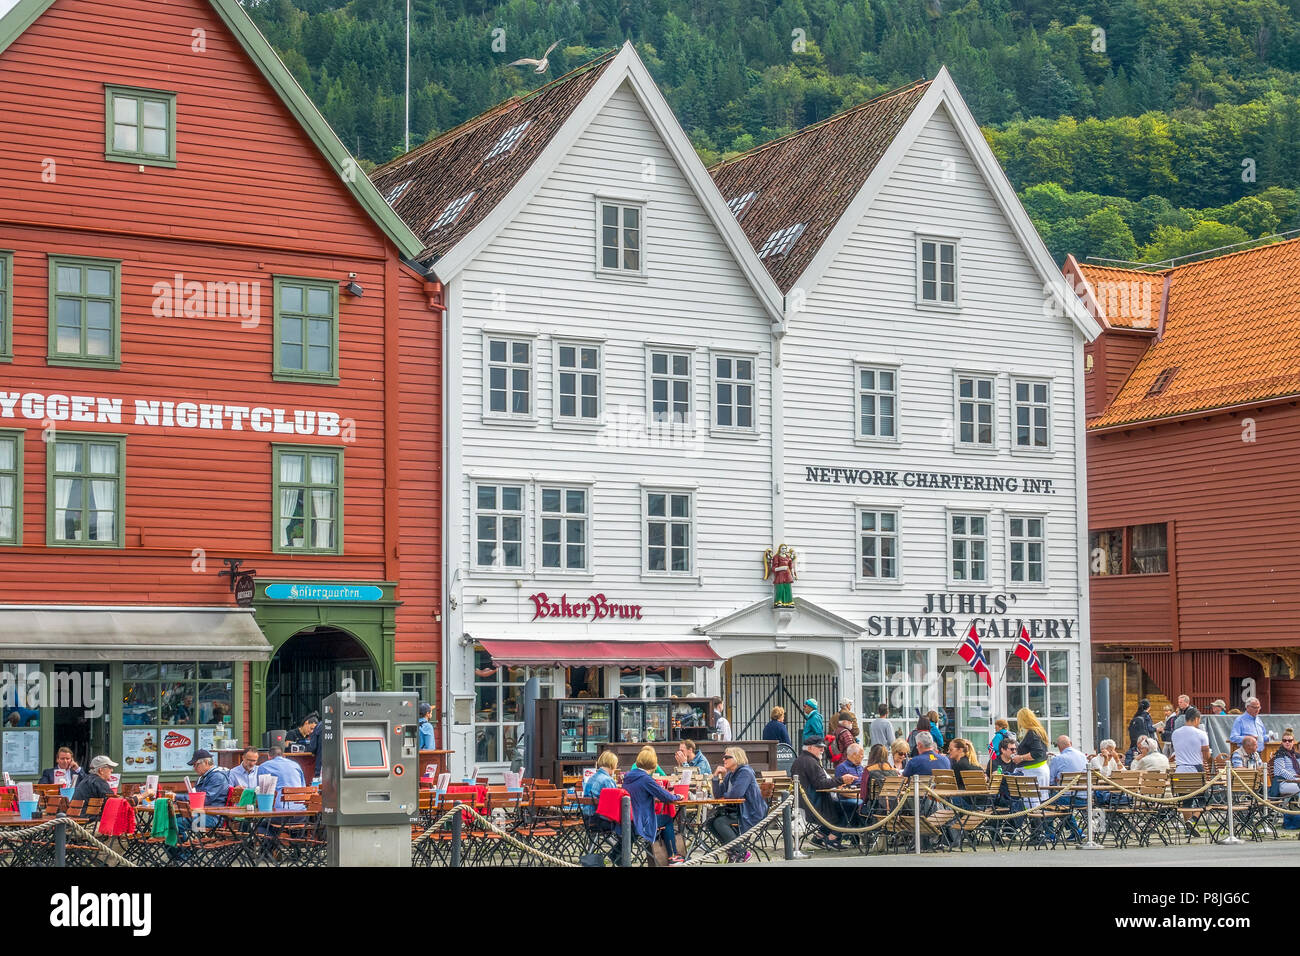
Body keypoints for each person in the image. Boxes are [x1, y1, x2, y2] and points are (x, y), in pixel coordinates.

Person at [622, 746, 683, 866]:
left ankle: (661, 854)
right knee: (667, 819)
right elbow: (666, 797)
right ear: (653, 763)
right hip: (642, 821)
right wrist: (678, 797)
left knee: (662, 818)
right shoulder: (645, 779)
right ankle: (673, 855)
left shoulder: (628, 777)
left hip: (629, 820)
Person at [709, 747, 767, 863]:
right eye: (724, 757)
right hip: (738, 811)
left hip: (750, 812)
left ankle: (741, 852)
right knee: (710, 822)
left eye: (727, 757)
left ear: (737, 758)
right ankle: (733, 852)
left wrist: (726, 795)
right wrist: (715, 777)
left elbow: (735, 794)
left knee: (720, 822)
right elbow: (718, 794)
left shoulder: (745, 772)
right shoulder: (731, 774)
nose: (723, 759)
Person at [790, 735, 845, 850]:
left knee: (842, 807)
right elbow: (821, 784)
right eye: (819, 747)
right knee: (846, 809)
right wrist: (842, 780)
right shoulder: (810, 761)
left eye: (823, 747)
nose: (823, 750)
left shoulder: (800, 760)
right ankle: (832, 840)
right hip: (816, 805)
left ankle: (820, 836)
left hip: (806, 803)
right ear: (809, 748)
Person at [1009, 708, 1050, 803]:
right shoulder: (1039, 731)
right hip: (1039, 770)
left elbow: (1037, 752)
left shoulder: (1032, 733)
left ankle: (1031, 817)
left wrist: (1021, 757)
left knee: (1032, 803)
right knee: (1037, 802)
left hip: (1032, 772)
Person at [255, 746, 307, 810]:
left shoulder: (263, 766)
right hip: (300, 808)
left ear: (269, 756)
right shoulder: (296, 765)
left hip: (279, 809)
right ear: (283, 755)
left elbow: (261, 791)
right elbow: (303, 787)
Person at [1171, 706, 1211, 772]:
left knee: (1176, 781)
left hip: (1179, 770)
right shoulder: (1201, 733)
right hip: (1196, 770)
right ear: (1196, 719)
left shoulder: (1175, 733)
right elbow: (1206, 754)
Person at [1126, 699, 1156, 765]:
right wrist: (1156, 729)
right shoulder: (1146, 716)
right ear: (1149, 707)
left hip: (1134, 743)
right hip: (1144, 744)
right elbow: (1150, 729)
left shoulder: (1136, 716)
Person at [1273, 732, 1300, 799]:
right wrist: (1295, 779)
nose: (1287, 742)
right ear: (1282, 742)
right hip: (1283, 783)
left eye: (1290, 741)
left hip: (1296, 782)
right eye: (1284, 741)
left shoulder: (1296, 755)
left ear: (1293, 742)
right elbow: (1280, 771)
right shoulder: (1279, 755)